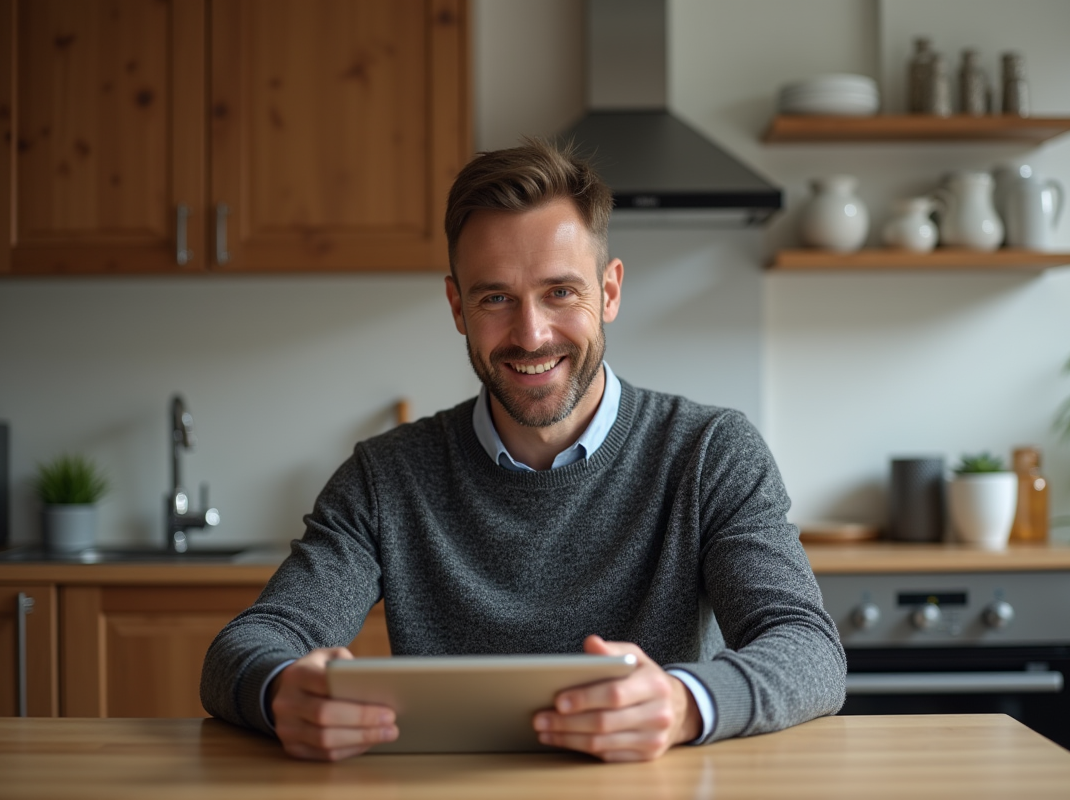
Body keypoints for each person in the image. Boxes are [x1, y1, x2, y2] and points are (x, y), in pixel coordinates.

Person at [200, 138, 846, 763]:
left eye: (560, 292)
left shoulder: (710, 454)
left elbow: (809, 649)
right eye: (495, 298)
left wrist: (684, 703)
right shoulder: (385, 477)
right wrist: (283, 691)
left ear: (611, 292)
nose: (531, 334)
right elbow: (250, 643)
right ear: (457, 306)